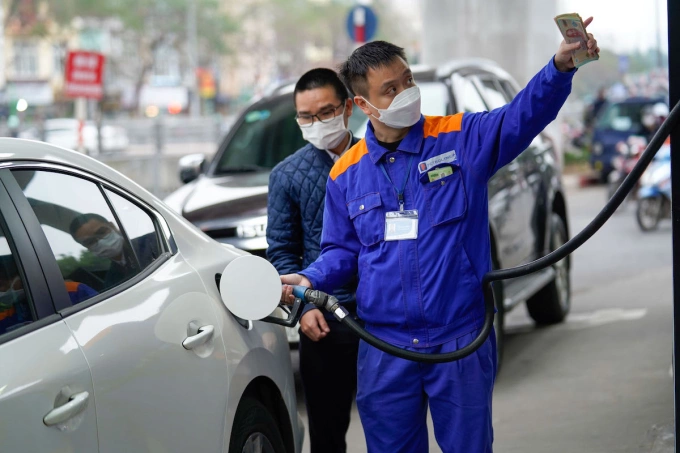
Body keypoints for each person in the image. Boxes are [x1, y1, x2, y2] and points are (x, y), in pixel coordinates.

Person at [280, 23, 599, 453]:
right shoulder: (345, 174)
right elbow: (341, 251)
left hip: (460, 340)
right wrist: (311, 278)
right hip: (385, 349)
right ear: (361, 104)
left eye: (407, 80)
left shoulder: (461, 138)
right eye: (389, 89)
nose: (406, 93)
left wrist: (560, 67)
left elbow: (521, 116)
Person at [266, 67, 360, 453]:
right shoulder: (287, 175)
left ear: (348, 108)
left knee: (392, 420)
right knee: (326, 428)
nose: (316, 123)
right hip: (322, 313)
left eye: (325, 112)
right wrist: (303, 307)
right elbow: (282, 251)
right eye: (306, 116)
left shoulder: (377, 158)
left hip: (384, 310)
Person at [69, 213, 160, 290]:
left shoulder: (156, 242)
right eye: (90, 242)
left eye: (101, 232)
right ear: (87, 247)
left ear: (112, 226)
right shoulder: (111, 281)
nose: (100, 241)